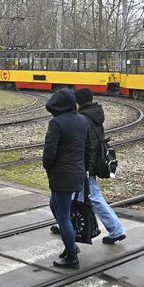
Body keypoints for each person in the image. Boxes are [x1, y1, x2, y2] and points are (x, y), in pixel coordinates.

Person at [43, 88, 93, 269]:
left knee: (63, 216)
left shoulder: (56, 123)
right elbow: (88, 149)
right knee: (54, 205)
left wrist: (48, 166)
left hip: (61, 175)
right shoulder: (82, 120)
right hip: (76, 173)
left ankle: (72, 254)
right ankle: (70, 243)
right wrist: (85, 169)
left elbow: (49, 153)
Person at [72, 88, 126, 244]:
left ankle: (116, 229)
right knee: (72, 195)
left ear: (78, 102)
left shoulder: (83, 118)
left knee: (94, 197)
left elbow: (85, 145)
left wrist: (86, 168)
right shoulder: (94, 114)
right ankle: (65, 224)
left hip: (87, 166)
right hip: (90, 163)